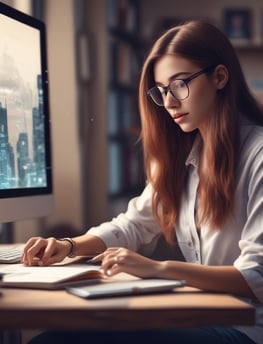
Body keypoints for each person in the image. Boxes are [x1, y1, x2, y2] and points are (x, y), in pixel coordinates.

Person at [23, 20, 262, 344]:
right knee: (57, 337)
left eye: (180, 84)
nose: (169, 103)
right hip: (204, 313)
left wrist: (159, 269)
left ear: (220, 77)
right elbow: (131, 226)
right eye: (162, 91)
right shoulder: (184, 156)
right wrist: (69, 246)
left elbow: (254, 277)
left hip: (247, 330)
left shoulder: (257, 155)